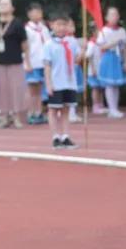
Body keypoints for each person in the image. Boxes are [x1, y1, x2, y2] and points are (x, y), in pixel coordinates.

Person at [0, 0, 27, 128]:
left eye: (6, 4)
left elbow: (24, 44)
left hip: (15, 61)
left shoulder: (17, 23)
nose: (3, 6)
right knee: (1, 90)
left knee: (16, 89)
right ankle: (3, 116)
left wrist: (27, 59)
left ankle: (16, 116)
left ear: (12, 8)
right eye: (1, 4)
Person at [43, 15, 80, 149]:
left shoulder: (72, 42)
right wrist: (48, 83)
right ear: (52, 25)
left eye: (64, 25)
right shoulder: (49, 44)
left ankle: (65, 136)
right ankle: (55, 137)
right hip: (56, 82)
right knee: (53, 110)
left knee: (66, 109)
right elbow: (47, 65)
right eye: (58, 24)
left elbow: (77, 59)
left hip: (69, 82)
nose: (61, 27)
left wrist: (83, 52)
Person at [96, 7, 126, 118]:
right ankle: (111, 108)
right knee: (109, 84)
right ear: (107, 17)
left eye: (116, 14)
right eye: (111, 15)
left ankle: (115, 107)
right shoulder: (104, 31)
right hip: (108, 57)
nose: (114, 17)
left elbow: (125, 48)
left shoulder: (122, 31)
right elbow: (101, 46)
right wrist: (113, 43)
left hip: (118, 58)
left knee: (116, 85)